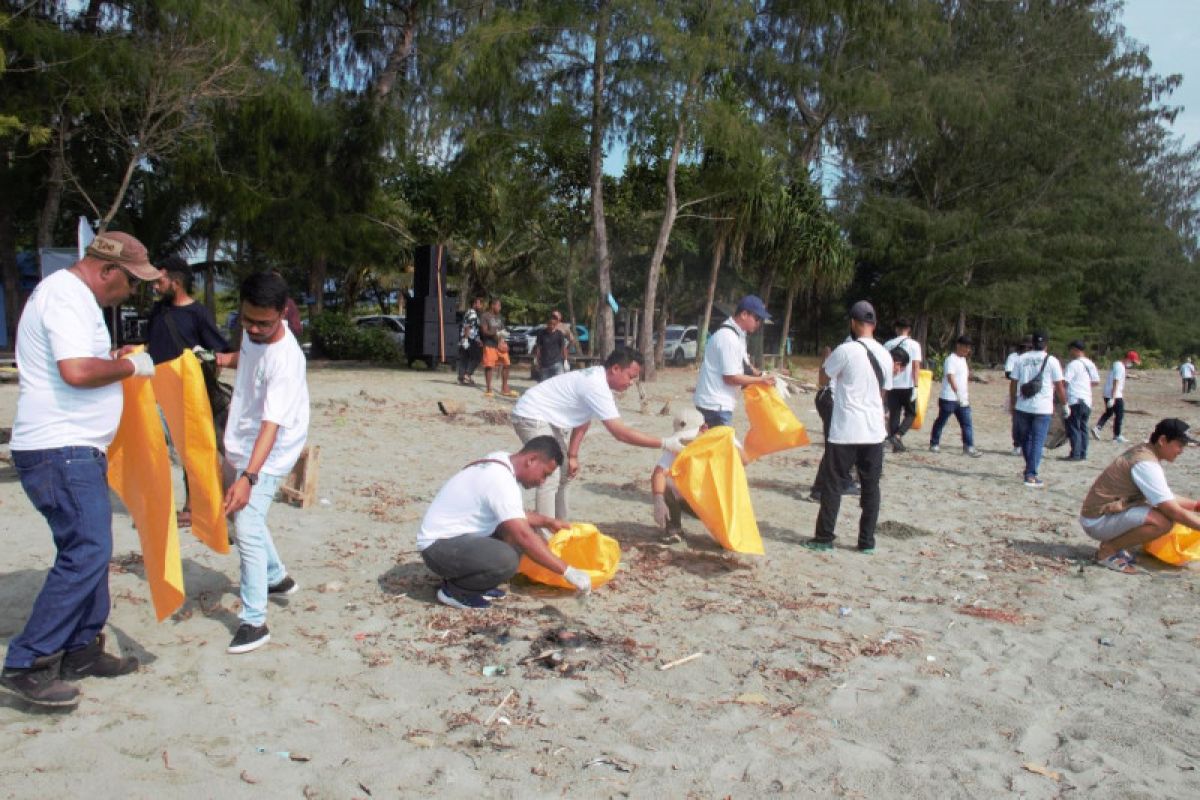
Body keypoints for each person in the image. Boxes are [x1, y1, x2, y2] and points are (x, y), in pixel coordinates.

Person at [0, 231, 160, 708]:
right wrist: (134, 369)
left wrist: (113, 360)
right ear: (108, 270)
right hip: (59, 447)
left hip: (73, 447)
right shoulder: (66, 297)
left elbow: (79, 364)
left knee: (91, 547)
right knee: (87, 549)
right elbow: (76, 373)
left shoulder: (75, 299)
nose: (132, 292)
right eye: (131, 281)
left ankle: (81, 648)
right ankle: (28, 661)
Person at [213, 273, 310, 655]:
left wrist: (249, 477)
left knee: (247, 524)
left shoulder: (287, 360)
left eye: (262, 323)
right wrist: (224, 358)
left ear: (282, 313)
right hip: (244, 434)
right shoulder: (254, 333)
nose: (253, 328)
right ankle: (277, 577)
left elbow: (272, 426)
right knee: (245, 516)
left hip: (273, 447)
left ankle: (255, 622)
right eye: (246, 320)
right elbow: (251, 360)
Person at [511, 346, 686, 520]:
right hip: (530, 413)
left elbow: (583, 419)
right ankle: (545, 532)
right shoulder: (596, 385)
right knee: (549, 472)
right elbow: (620, 433)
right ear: (615, 369)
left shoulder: (599, 379)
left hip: (550, 418)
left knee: (565, 473)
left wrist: (573, 455)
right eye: (630, 376)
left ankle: (560, 524)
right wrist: (665, 443)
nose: (631, 383)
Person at [417, 436, 592, 608]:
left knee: (513, 539)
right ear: (531, 460)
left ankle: (476, 585)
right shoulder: (500, 479)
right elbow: (523, 535)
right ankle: (457, 591)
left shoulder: (501, 460)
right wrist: (568, 571)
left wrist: (547, 522)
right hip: (438, 547)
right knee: (507, 558)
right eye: (544, 474)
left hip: (455, 540)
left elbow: (512, 513)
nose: (542, 482)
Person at [145, 256, 232, 527]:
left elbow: (218, 354)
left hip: (198, 395)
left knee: (218, 448)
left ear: (176, 281)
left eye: (159, 281)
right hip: (164, 396)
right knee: (182, 451)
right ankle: (191, 506)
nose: (155, 287)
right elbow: (151, 350)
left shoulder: (198, 313)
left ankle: (230, 501)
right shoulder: (158, 313)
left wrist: (201, 370)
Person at [805, 301, 892, 553]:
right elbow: (883, 392)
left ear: (853, 323)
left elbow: (824, 378)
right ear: (874, 324)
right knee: (871, 487)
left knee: (833, 485)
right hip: (874, 431)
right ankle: (866, 542)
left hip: (846, 430)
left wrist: (825, 359)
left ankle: (824, 538)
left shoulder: (846, 350)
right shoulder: (886, 355)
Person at [1079, 419, 1200, 573]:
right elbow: (1173, 511)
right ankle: (1107, 551)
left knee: (1162, 512)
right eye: (1179, 445)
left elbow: (1165, 496)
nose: (1181, 450)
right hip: (1096, 521)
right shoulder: (1146, 464)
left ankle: (1115, 546)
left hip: (1104, 513)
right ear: (1163, 440)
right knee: (1163, 522)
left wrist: (1196, 505)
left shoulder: (1145, 452)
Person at [693, 295, 775, 429]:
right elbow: (730, 378)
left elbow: (745, 365)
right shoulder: (728, 338)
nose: (759, 323)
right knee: (721, 448)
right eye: (757, 318)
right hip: (714, 406)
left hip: (717, 404)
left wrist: (761, 374)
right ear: (744, 314)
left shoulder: (738, 335)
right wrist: (761, 381)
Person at [1010, 331, 1067, 488]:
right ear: (1046, 344)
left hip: (1023, 405)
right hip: (1042, 407)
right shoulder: (1052, 360)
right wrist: (1065, 405)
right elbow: (1059, 386)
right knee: (1038, 441)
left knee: (1026, 439)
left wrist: (1012, 402)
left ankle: (1029, 469)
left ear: (1031, 344)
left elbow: (1013, 383)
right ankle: (1031, 474)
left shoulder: (1021, 359)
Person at [928, 335, 982, 457]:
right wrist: (957, 392)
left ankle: (969, 446)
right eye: (965, 347)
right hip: (949, 398)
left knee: (966, 423)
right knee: (942, 421)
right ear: (958, 345)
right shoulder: (950, 359)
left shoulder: (963, 360)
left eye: (969, 348)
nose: (967, 350)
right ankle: (934, 443)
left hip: (962, 399)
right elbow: (950, 377)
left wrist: (963, 396)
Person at [883, 319, 922, 452]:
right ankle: (898, 436)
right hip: (908, 384)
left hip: (892, 384)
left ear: (896, 329)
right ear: (909, 329)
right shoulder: (914, 345)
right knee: (911, 413)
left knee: (894, 414)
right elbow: (916, 366)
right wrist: (916, 386)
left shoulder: (888, 344)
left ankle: (896, 445)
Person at [1062, 340, 1101, 461]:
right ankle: (1083, 453)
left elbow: (1065, 382)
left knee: (1073, 427)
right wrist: (1084, 384)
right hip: (1087, 399)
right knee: (1083, 427)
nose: (1070, 352)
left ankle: (1075, 453)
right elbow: (1096, 381)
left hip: (1075, 399)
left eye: (1071, 350)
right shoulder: (1090, 363)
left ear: (1075, 349)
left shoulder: (1073, 364)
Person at [1093, 350, 1140, 444]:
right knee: (1119, 414)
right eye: (1132, 362)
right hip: (1115, 394)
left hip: (1107, 393)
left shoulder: (1117, 364)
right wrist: (1113, 398)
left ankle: (1097, 428)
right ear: (1128, 359)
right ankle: (1117, 435)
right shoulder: (1120, 367)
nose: (1132, 364)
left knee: (1109, 412)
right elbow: (1116, 381)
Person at [479, 297, 516, 398]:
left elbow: (503, 331)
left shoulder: (500, 317)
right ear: (492, 305)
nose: (500, 308)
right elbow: (484, 331)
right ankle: (489, 389)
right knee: (489, 366)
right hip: (489, 344)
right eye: (498, 305)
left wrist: (504, 342)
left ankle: (504, 388)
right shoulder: (485, 316)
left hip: (500, 345)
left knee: (507, 364)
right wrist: (495, 333)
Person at [1005, 335, 1033, 455]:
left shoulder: (1034, 358)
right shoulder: (1014, 357)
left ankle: (1029, 444)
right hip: (1017, 393)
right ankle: (1017, 444)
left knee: (1032, 421)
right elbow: (1008, 373)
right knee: (1017, 421)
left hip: (1032, 393)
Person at [533, 310, 570, 382]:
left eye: (553, 324)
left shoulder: (559, 334)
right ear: (547, 324)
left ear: (556, 324)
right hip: (544, 363)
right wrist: (536, 359)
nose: (551, 326)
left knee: (559, 382)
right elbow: (538, 347)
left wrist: (565, 360)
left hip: (557, 362)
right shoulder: (541, 333)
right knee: (544, 383)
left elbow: (563, 347)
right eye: (550, 324)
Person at [457, 296, 484, 386]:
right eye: (479, 303)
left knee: (464, 358)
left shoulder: (470, 312)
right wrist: (465, 339)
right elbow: (468, 326)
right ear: (474, 304)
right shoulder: (472, 313)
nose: (481, 305)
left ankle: (461, 377)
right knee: (477, 357)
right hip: (469, 338)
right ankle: (467, 374)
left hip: (468, 337)